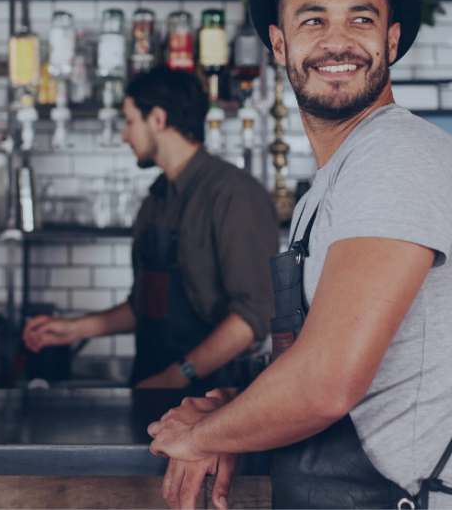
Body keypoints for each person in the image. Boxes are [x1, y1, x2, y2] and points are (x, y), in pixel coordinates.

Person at [146, 0, 452, 509]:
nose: (339, 41)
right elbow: (308, 364)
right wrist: (235, 411)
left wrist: (201, 436)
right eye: (314, 21)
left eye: (361, 20)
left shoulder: (397, 153)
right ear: (280, 46)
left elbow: (327, 383)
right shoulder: (331, 184)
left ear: (392, 38)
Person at [22, 67, 280, 390]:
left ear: (157, 119)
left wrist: (177, 376)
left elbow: (252, 316)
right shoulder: (157, 199)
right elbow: (145, 306)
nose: (124, 135)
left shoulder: (235, 194)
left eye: (130, 122)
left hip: (214, 398)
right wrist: (74, 329)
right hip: (152, 386)